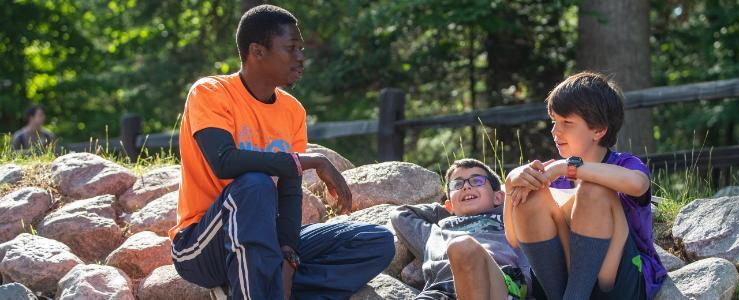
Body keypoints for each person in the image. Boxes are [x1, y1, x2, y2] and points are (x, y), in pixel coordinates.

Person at [170, 5, 394, 299]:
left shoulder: (292, 111)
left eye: (301, 49)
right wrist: (311, 160)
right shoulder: (210, 92)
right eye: (291, 48)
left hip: (265, 240)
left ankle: (262, 286)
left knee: (375, 241)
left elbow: (290, 188)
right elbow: (224, 162)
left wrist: (288, 253)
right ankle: (258, 285)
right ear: (257, 51)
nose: (301, 57)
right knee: (255, 183)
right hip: (201, 245)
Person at [504, 72, 667, 300]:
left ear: (599, 130)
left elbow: (638, 185)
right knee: (534, 194)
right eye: (554, 122)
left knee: (594, 189)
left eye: (567, 123)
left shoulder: (624, 164)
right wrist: (512, 181)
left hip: (617, 282)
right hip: (558, 286)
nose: (555, 131)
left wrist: (566, 167)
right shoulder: (549, 174)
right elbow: (513, 239)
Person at [391, 158, 534, 300]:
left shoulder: (509, 219)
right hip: (441, 292)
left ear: (498, 197)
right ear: (448, 205)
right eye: (457, 184)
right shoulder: (436, 233)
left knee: (462, 246)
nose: (466, 187)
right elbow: (400, 214)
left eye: (477, 181)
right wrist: (450, 210)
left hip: (500, 284)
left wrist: (506, 197)